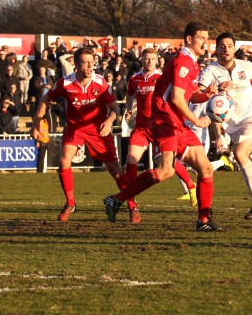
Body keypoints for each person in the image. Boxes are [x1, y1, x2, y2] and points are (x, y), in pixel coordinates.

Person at [103, 23, 222, 231]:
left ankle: (203, 220)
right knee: (165, 170)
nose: (206, 42)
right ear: (188, 40)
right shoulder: (183, 60)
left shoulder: (192, 63)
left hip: (176, 122)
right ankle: (117, 199)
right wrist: (196, 121)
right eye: (201, 38)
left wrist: (206, 95)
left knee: (206, 168)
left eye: (207, 38)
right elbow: (176, 98)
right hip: (165, 120)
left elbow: (187, 94)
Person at [30, 48, 134, 222]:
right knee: (63, 161)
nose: (90, 66)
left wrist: (109, 121)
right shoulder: (65, 83)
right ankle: (70, 203)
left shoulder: (100, 82)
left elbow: (115, 108)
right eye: (85, 62)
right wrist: (36, 124)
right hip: (75, 127)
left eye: (92, 62)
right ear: (76, 65)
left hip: (97, 128)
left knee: (115, 170)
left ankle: (133, 206)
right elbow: (46, 98)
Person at [198, 32, 252, 220]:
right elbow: (198, 92)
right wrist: (215, 90)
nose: (226, 49)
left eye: (229, 46)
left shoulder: (247, 66)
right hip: (232, 126)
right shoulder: (210, 71)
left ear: (234, 48)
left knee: (239, 154)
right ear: (216, 49)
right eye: (222, 46)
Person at [123, 48, 198, 215]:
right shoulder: (135, 79)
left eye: (152, 58)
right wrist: (129, 109)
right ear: (141, 60)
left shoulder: (162, 78)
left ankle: (191, 186)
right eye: (146, 58)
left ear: (157, 61)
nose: (149, 61)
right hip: (142, 127)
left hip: (159, 126)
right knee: (131, 158)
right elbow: (129, 95)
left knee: (167, 162)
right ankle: (131, 202)